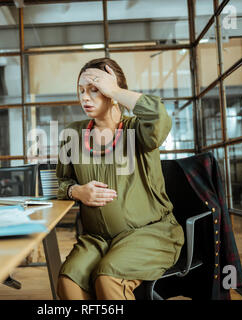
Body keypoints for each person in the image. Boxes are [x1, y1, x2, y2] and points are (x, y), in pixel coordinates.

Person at [56, 57, 185, 300]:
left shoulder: (139, 130)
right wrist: (76, 191)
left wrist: (114, 89)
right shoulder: (72, 133)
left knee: (108, 279)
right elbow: (59, 183)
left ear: (113, 93)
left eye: (95, 90)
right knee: (69, 282)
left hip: (149, 233)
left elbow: (159, 116)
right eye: (81, 90)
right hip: (96, 239)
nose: (85, 97)